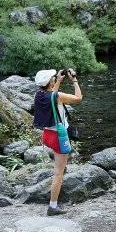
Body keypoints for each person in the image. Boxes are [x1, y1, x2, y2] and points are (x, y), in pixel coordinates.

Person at [33, 68, 82, 216]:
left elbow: (51, 95)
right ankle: (52, 206)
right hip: (58, 137)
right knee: (58, 173)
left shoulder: (38, 95)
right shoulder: (58, 96)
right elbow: (78, 98)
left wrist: (59, 80)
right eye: (53, 78)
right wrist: (74, 80)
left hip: (47, 135)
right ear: (50, 82)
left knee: (58, 168)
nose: (54, 78)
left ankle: (55, 197)